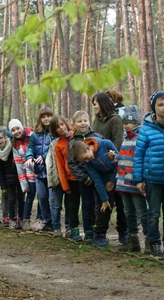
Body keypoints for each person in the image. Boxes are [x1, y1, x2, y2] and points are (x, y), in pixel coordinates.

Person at [133, 91, 164, 259]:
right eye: (160, 104)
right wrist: (138, 179)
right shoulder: (145, 130)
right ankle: (154, 244)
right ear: (154, 107)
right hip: (152, 179)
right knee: (153, 214)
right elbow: (138, 155)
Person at [92, 92, 128, 245]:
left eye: (95, 104)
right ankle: (100, 233)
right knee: (104, 202)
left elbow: (117, 145)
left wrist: (113, 173)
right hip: (100, 168)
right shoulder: (96, 121)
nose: (94, 107)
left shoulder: (116, 120)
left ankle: (124, 233)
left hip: (116, 167)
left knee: (121, 203)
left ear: (102, 104)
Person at [69, 137, 118, 247]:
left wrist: (112, 180)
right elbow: (96, 179)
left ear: (87, 148)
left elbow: (119, 160)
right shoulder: (88, 163)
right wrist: (104, 199)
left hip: (117, 177)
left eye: (86, 158)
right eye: (84, 160)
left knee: (122, 205)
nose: (87, 161)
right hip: (104, 182)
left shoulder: (106, 143)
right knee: (104, 207)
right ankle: (100, 234)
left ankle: (125, 233)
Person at [113, 105, 149, 252]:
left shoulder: (141, 138)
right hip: (122, 183)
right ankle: (133, 240)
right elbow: (124, 158)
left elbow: (141, 159)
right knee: (128, 212)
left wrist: (140, 179)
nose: (125, 125)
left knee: (142, 212)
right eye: (124, 122)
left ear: (136, 122)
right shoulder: (125, 138)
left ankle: (149, 240)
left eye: (128, 122)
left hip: (135, 183)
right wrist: (115, 158)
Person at [68, 110, 103, 243]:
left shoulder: (97, 137)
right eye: (79, 121)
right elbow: (72, 164)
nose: (83, 123)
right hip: (84, 180)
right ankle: (88, 230)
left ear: (89, 121)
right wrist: (84, 178)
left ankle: (98, 230)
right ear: (74, 124)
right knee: (87, 204)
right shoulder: (72, 143)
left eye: (85, 120)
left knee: (99, 203)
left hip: (98, 177)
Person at [49, 116, 81, 240]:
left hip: (84, 177)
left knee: (87, 204)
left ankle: (90, 230)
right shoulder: (58, 145)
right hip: (70, 179)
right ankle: (73, 229)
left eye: (62, 124)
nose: (61, 128)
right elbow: (60, 167)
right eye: (57, 127)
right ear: (54, 130)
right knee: (72, 206)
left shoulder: (76, 135)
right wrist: (65, 185)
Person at [8, 119, 42, 231]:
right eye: (13, 130)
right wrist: (23, 182)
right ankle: (25, 220)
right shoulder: (15, 145)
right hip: (29, 175)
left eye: (18, 128)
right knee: (30, 197)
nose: (16, 131)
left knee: (42, 197)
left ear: (22, 127)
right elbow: (18, 165)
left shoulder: (32, 134)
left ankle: (40, 219)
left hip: (41, 171)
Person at [25, 107, 53, 232]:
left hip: (52, 171)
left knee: (52, 199)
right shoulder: (35, 135)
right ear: (40, 119)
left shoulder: (55, 133)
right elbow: (30, 147)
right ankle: (47, 222)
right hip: (39, 171)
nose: (46, 118)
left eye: (49, 116)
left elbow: (53, 147)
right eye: (43, 116)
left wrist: (44, 156)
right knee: (41, 197)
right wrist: (30, 156)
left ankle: (55, 222)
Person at [0, 129, 24, 229]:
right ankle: (12, 219)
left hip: (19, 176)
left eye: (0, 138)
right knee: (11, 199)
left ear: (5, 138)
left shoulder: (12, 146)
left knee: (21, 198)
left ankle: (21, 218)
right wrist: (3, 185)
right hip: (8, 179)